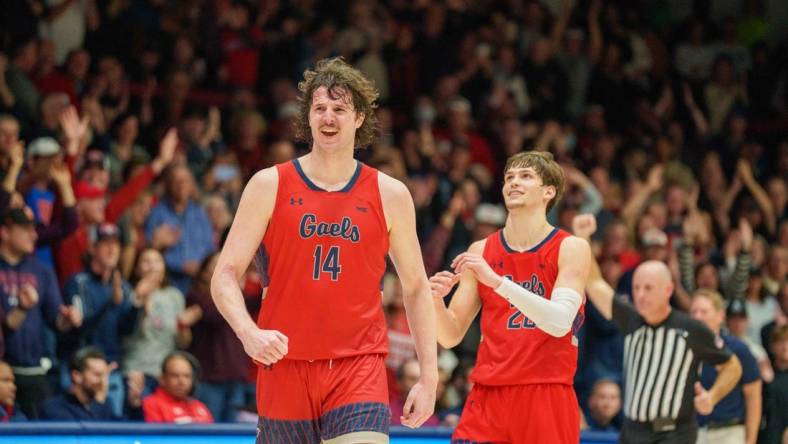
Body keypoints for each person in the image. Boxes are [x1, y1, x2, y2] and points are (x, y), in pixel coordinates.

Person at [211, 57, 437, 443]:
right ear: (308, 118)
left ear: (360, 118)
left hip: (358, 365)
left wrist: (429, 377)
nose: (328, 118)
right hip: (284, 366)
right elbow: (225, 275)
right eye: (320, 108)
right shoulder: (269, 184)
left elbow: (416, 287)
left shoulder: (390, 193)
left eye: (339, 109)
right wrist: (248, 332)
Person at [429, 151, 591, 443]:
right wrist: (436, 303)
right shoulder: (481, 250)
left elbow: (560, 322)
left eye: (526, 176)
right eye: (509, 178)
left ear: (549, 192)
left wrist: (497, 282)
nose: (513, 183)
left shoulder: (571, 248)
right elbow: (450, 335)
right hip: (488, 393)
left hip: (545, 392)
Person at [573, 213, 742, 443]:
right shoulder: (630, 318)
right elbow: (594, 282)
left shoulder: (690, 328)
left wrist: (712, 397)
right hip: (633, 431)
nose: (640, 295)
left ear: (668, 290)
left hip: (674, 433)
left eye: (649, 288)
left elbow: (732, 366)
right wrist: (583, 238)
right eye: (637, 288)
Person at [689, 289, 761, 444]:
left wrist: (751, 439)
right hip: (694, 432)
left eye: (704, 311)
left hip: (728, 431)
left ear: (720, 315)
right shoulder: (685, 349)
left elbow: (753, 395)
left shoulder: (737, 349)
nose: (697, 316)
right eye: (693, 311)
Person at [39, 347, 115, 420]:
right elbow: (88, 431)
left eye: (105, 375)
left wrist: (127, 406)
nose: (103, 382)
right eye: (97, 375)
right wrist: (98, 404)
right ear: (77, 376)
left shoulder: (106, 404)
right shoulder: (54, 408)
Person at [142, 351, 213, 423]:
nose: (181, 382)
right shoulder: (151, 405)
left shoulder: (200, 406)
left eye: (187, 376)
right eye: (175, 376)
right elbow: (156, 433)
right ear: (162, 379)